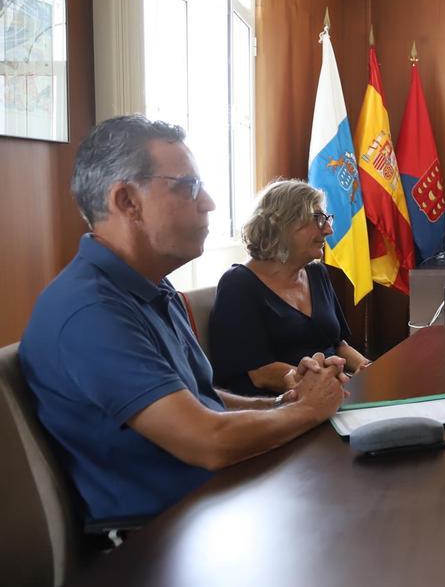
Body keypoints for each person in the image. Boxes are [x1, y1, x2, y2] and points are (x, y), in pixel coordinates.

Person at [19, 115, 348, 524]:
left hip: (218, 499)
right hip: (158, 539)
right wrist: (309, 410)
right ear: (126, 201)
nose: (208, 202)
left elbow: (200, 397)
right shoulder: (90, 311)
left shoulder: (154, 286)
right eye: (188, 186)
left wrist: (282, 402)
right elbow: (206, 441)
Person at [208, 180, 371, 397]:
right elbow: (260, 373)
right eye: (318, 219)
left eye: (327, 219)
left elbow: (338, 344)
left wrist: (367, 368)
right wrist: (323, 380)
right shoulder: (238, 284)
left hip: (329, 393)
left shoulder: (317, 273)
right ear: (281, 224)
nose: (329, 230)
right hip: (273, 408)